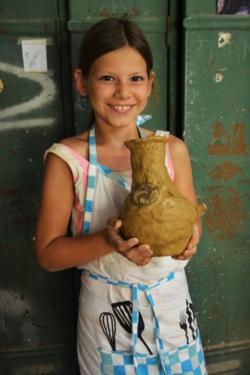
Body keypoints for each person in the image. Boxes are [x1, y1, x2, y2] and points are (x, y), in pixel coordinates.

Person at [35, 17, 207, 375]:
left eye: (136, 79)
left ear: (150, 83)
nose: (123, 93)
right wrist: (107, 241)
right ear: (82, 82)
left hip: (173, 310)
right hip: (107, 318)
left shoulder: (172, 150)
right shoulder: (68, 159)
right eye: (107, 78)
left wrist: (189, 240)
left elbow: (191, 221)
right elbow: (49, 255)